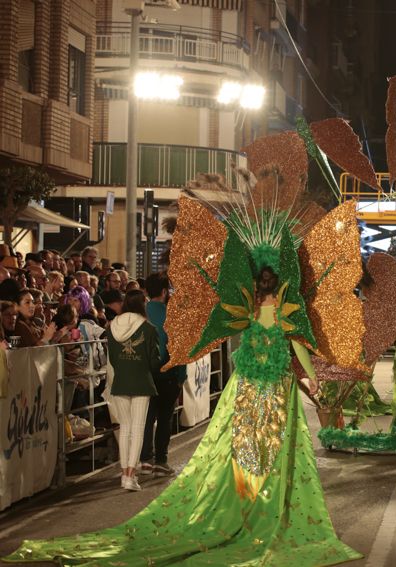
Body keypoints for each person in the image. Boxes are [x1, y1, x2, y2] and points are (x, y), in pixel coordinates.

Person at [7, 184, 363, 565]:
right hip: (268, 387)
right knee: (263, 450)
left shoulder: (248, 310)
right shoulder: (277, 310)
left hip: (253, 387)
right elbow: (295, 348)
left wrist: (303, 376)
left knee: (253, 449)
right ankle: (258, 505)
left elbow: (269, 347)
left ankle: (252, 503)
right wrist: (311, 379)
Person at [104, 290, 160, 491]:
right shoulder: (148, 329)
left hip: (120, 381)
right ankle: (130, 475)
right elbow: (154, 361)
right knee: (137, 429)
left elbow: (112, 359)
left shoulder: (112, 327)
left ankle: (123, 474)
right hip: (141, 382)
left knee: (125, 427)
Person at [139, 272, 187, 476]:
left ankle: (144, 460)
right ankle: (161, 460)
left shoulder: (140, 312)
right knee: (165, 417)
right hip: (168, 373)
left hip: (143, 373)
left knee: (146, 418)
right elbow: (180, 348)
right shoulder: (173, 314)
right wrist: (181, 377)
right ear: (165, 291)